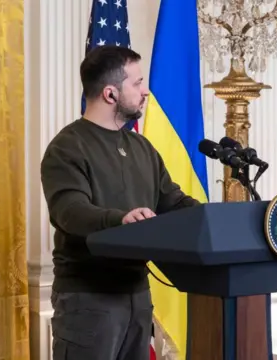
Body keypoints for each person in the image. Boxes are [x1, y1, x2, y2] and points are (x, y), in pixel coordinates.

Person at [40, 45, 200, 360]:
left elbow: (175, 202)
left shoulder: (142, 148)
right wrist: (120, 220)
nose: (146, 93)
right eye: (138, 84)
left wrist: (216, 219)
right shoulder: (67, 147)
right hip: (88, 299)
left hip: (138, 295)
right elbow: (69, 211)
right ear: (111, 94)